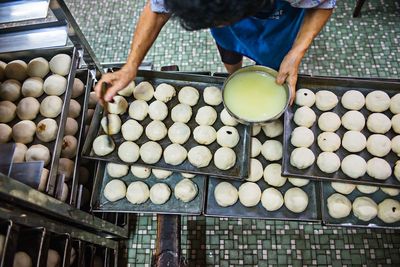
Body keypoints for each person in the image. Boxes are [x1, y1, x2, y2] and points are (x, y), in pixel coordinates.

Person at [95, 0, 335, 104]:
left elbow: (324, 4)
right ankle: (234, 75)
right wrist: (131, 65)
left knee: (275, 66)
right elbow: (157, 9)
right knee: (228, 50)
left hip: (277, 26)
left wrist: (296, 52)